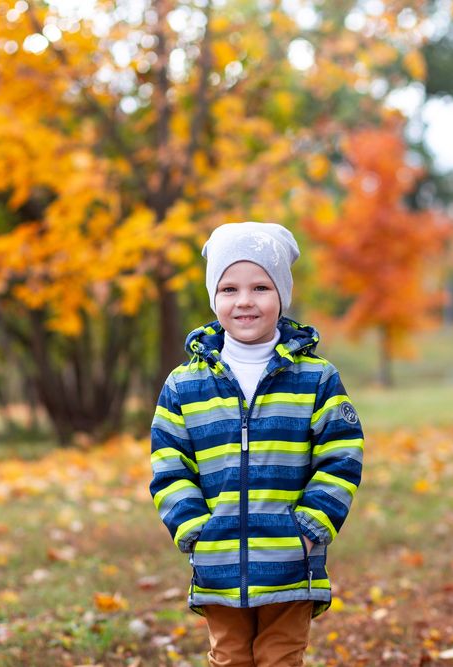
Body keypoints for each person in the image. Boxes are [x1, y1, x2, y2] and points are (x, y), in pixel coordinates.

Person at [149, 221, 365, 666]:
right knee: (228, 657)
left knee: (281, 657)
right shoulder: (184, 385)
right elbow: (169, 465)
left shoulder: (315, 378)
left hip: (289, 561)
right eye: (229, 289)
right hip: (219, 562)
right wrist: (193, 532)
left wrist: (309, 529)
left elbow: (341, 456)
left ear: (282, 295)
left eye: (260, 287)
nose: (244, 301)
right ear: (214, 298)